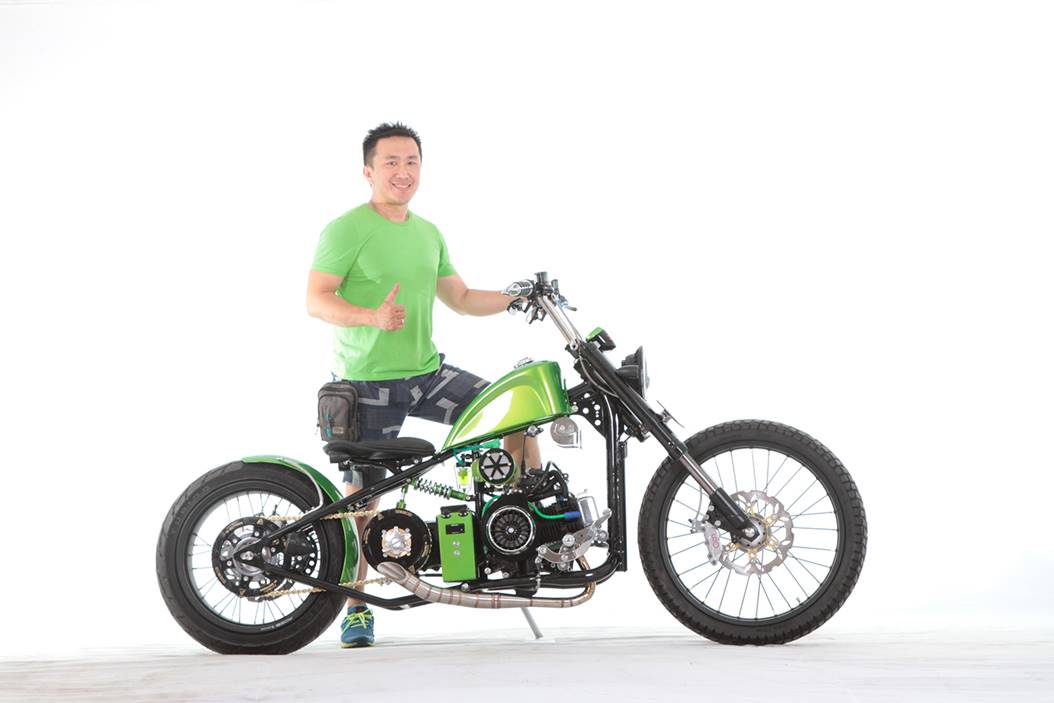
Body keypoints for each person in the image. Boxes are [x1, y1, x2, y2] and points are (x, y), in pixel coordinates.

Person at [306, 122, 542, 648]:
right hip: (366, 383)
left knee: (518, 411)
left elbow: (461, 299)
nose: (402, 171)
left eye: (411, 161)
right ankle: (357, 608)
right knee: (363, 500)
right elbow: (316, 299)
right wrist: (371, 316)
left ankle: (516, 535)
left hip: (427, 374)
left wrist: (518, 297)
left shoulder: (428, 232)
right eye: (390, 162)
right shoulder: (346, 229)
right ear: (368, 171)